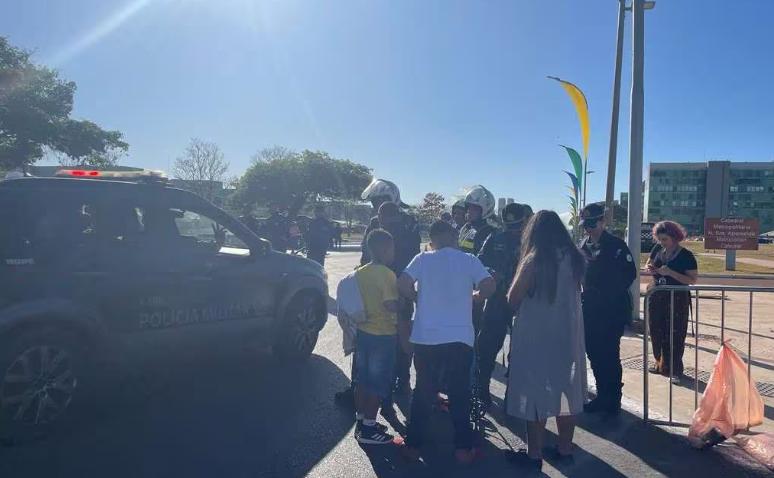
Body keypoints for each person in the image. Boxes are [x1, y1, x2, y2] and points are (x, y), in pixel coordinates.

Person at [398, 220, 496, 464]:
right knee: (460, 393)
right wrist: (475, 296)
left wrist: (417, 296)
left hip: (426, 337)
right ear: (454, 238)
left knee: (423, 391)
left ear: (432, 241)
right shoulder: (469, 260)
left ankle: (412, 446)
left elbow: (402, 283)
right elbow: (489, 285)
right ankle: (463, 449)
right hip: (460, 338)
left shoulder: (423, 259)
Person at [505, 210, 587, 469]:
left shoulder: (534, 259)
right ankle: (564, 447)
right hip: (568, 334)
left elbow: (514, 297)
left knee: (534, 392)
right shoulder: (575, 257)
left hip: (536, 334)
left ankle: (534, 453)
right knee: (566, 389)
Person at [579, 203, 637, 414]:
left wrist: (606, 292)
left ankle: (613, 399)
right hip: (590, 309)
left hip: (612, 309)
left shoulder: (616, 245)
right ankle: (603, 394)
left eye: (593, 223)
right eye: (586, 224)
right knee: (593, 351)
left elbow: (629, 274)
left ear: (603, 221)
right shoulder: (583, 246)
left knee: (610, 354)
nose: (589, 228)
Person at [476, 202, 533, 408]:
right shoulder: (495, 238)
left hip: (523, 301)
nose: (513, 230)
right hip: (498, 300)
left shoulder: (532, 243)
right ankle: (481, 389)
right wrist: (491, 272)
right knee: (487, 347)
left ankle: (514, 396)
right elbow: (479, 261)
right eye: (510, 226)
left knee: (519, 351)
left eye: (517, 225)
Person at [352, 229, 403, 445]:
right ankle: (369, 429)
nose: (394, 252)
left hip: (363, 332)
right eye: (392, 248)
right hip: (383, 335)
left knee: (362, 380)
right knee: (378, 383)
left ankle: (362, 420)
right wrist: (406, 303)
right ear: (384, 249)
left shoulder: (360, 272)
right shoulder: (387, 274)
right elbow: (390, 304)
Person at [645, 220, 698, 384]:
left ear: (675, 237)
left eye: (665, 239)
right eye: (660, 239)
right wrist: (651, 268)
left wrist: (671, 272)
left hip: (677, 299)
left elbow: (692, 279)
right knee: (656, 330)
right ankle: (660, 362)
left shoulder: (686, 255)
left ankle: (674, 368)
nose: (662, 243)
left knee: (675, 333)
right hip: (657, 296)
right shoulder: (657, 249)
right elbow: (649, 262)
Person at [458, 185, 497, 255]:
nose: (470, 211)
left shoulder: (489, 232)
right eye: (469, 207)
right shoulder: (466, 227)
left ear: (486, 210)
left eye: (475, 208)